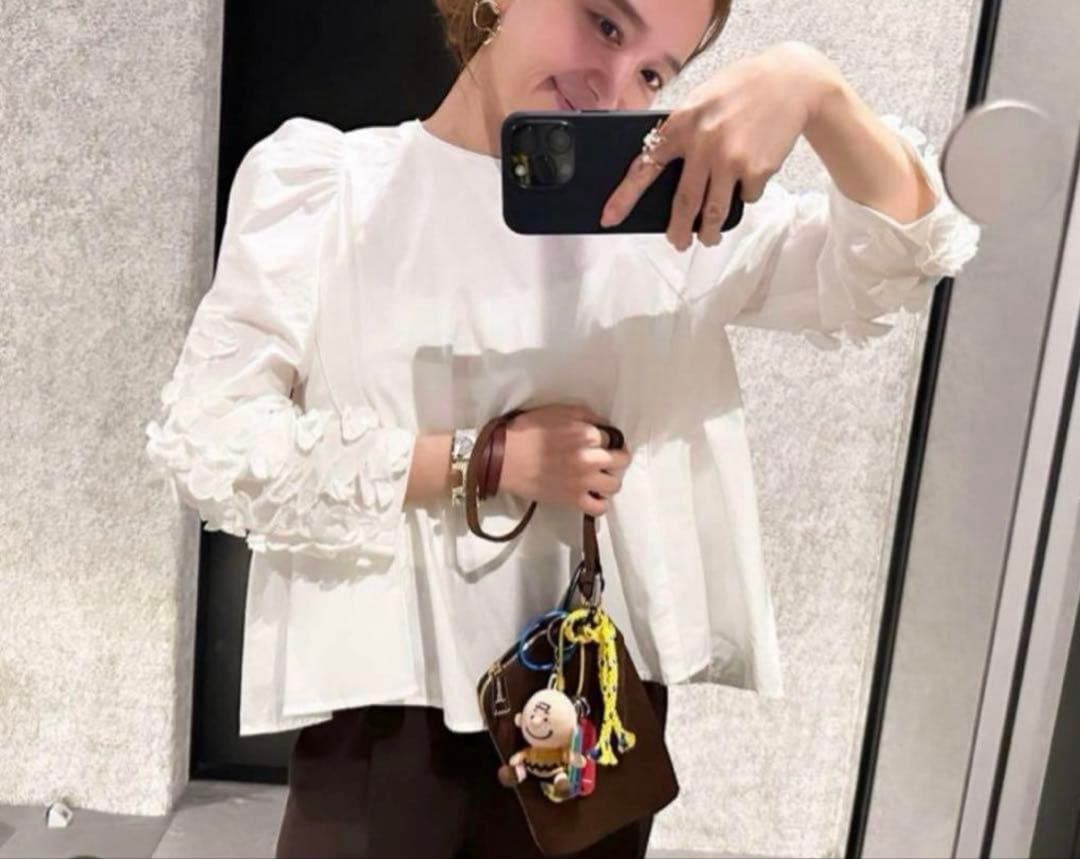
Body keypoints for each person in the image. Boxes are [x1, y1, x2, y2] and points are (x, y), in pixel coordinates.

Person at [143, 0, 981, 856]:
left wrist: (817, 90)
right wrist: (483, 461)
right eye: (605, 24)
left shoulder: (663, 211)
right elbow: (212, 438)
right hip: (390, 711)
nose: (611, 86)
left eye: (654, 72)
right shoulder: (331, 188)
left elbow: (896, 259)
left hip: (592, 714)